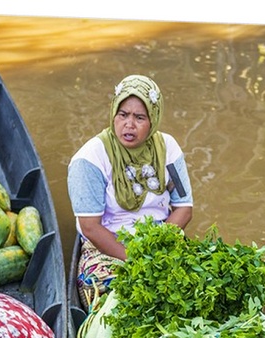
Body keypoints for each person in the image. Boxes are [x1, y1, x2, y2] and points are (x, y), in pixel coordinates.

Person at [67, 74, 193, 308]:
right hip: (108, 247)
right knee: (121, 301)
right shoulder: (89, 159)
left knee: (195, 287)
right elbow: (90, 227)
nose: (129, 124)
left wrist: (155, 247)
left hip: (159, 239)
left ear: (153, 119)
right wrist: (134, 259)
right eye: (123, 115)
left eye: (140, 117)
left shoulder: (169, 149)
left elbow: (184, 208)